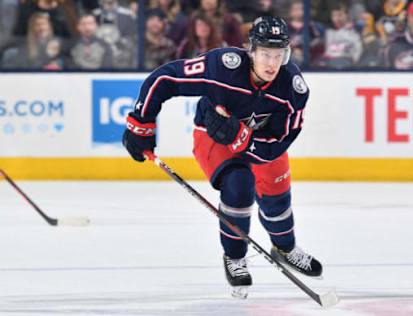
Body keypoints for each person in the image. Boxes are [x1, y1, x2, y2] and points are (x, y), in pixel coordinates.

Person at [122, 16, 322, 297]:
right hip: (213, 136)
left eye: (279, 55)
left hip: (259, 142)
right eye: (265, 53)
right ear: (250, 50)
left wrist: (242, 138)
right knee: (239, 186)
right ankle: (235, 256)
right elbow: (164, 78)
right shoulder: (222, 66)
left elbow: (278, 143)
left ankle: (285, 248)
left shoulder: (293, 88)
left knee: (278, 198)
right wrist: (140, 123)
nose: (272, 63)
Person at [317, 2, 363, 68]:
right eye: (334, 16)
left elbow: (358, 50)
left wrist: (354, 62)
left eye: (340, 15)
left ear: (346, 15)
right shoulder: (327, 32)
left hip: (348, 64)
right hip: (329, 64)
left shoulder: (354, 32)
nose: (337, 19)